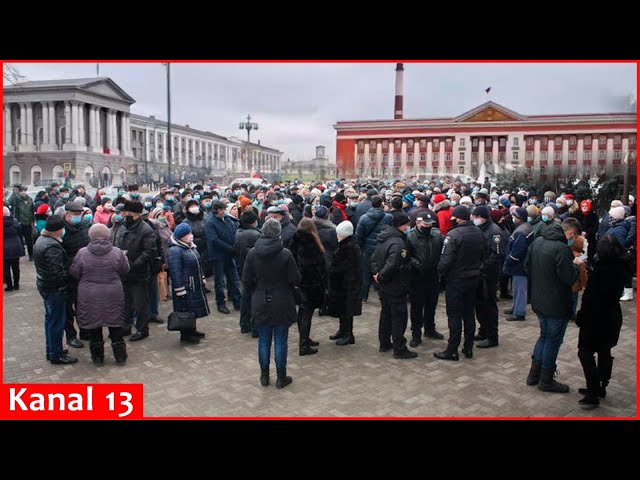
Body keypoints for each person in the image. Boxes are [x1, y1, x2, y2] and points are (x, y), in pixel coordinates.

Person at [242, 219, 301, 388]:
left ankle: (264, 376)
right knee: (281, 340)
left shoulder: (253, 253)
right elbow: (295, 278)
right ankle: (281, 377)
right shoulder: (285, 254)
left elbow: (246, 279)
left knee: (263, 339)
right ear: (278, 233)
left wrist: (257, 289)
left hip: (260, 300)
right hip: (282, 300)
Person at [524, 220, 581, 393]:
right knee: (552, 341)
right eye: (575, 235)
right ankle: (546, 380)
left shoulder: (537, 241)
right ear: (570, 233)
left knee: (544, 336)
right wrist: (576, 267)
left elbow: (527, 267)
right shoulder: (561, 249)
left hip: (539, 300)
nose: (575, 239)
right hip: (556, 304)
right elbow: (568, 277)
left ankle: (534, 374)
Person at [575, 235, 629, 409]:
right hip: (611, 316)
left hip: (596, 318)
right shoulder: (620, 265)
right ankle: (601, 386)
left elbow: (593, 297)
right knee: (604, 351)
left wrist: (582, 315)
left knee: (585, 353)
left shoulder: (604, 270)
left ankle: (593, 392)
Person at [69, 224, 130, 366]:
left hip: (89, 294)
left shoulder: (82, 253)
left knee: (94, 326)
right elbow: (125, 269)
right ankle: (120, 356)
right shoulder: (116, 252)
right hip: (113, 293)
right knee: (115, 325)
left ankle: (97, 357)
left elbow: (74, 272)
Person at [435, 205, 485, 361]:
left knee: (454, 315)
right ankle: (468, 347)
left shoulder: (454, 235)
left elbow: (446, 260)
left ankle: (452, 349)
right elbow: (484, 254)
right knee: (469, 314)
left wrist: (440, 274)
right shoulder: (478, 232)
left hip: (456, 280)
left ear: (458, 218)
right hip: (473, 279)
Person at [371, 211, 416, 359]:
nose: (409, 227)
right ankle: (399, 348)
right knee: (398, 317)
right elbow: (393, 263)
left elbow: (374, 258)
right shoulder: (398, 242)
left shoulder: (384, 238)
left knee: (386, 314)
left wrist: (377, 274)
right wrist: (381, 276)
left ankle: (384, 342)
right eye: (407, 225)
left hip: (384, 285)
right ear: (401, 226)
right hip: (395, 285)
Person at [34, 215, 78, 365]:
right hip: (54, 289)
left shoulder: (42, 240)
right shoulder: (52, 246)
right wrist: (67, 282)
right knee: (56, 322)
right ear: (58, 230)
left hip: (45, 285)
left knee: (50, 320)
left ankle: (52, 349)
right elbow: (57, 271)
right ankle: (56, 354)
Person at [289, 218, 329, 355]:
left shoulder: (294, 240)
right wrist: (324, 283)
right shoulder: (311, 243)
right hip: (311, 284)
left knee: (302, 312)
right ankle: (304, 345)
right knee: (307, 313)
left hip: (298, 283)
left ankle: (305, 338)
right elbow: (319, 266)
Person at [167, 223, 210, 344]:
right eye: (188, 234)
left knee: (193, 309)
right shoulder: (175, 251)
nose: (191, 236)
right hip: (185, 286)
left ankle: (192, 329)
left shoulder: (191, 247)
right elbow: (175, 272)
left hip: (194, 285)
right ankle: (185, 334)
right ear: (181, 236)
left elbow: (198, 264)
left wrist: (202, 277)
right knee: (184, 310)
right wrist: (180, 289)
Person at [406, 212, 444, 346]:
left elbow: (443, 251)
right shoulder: (410, 236)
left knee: (431, 305)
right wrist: (416, 264)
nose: (428, 226)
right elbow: (406, 256)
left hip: (433, 275)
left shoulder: (437, 235)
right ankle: (416, 334)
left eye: (430, 224)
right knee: (417, 307)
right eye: (425, 223)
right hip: (417, 277)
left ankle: (430, 329)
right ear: (418, 223)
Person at [472, 205, 507, 348]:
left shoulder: (495, 232)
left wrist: (483, 267)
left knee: (489, 305)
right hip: (481, 274)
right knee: (480, 304)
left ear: (482, 217)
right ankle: (483, 330)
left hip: (489, 275)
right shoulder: (481, 229)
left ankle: (492, 337)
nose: (474, 219)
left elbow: (497, 255)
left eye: (475, 217)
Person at [326, 220, 363, 345]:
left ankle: (348, 334)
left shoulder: (348, 248)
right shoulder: (348, 245)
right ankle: (342, 331)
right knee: (343, 309)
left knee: (347, 310)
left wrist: (330, 267)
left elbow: (339, 267)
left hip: (347, 284)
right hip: (344, 284)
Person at [3, 206, 24, 291]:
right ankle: (16, 284)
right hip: (15, 246)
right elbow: (20, 234)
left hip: (3, 248)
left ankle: (9, 286)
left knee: (5, 268)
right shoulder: (15, 222)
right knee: (16, 267)